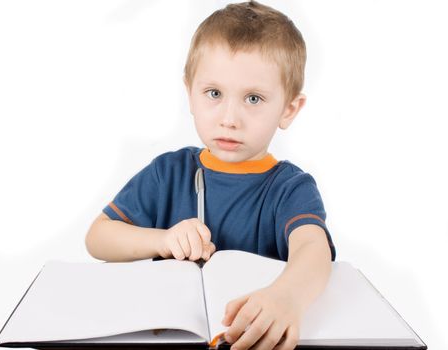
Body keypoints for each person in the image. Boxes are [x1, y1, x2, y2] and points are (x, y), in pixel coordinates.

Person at [86, 1, 336, 349]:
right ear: (190, 93)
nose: (229, 118)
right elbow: (98, 237)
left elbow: (313, 247)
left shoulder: (290, 188)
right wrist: (161, 240)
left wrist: (287, 298)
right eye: (214, 93)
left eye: (253, 98)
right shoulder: (167, 173)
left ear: (289, 109)